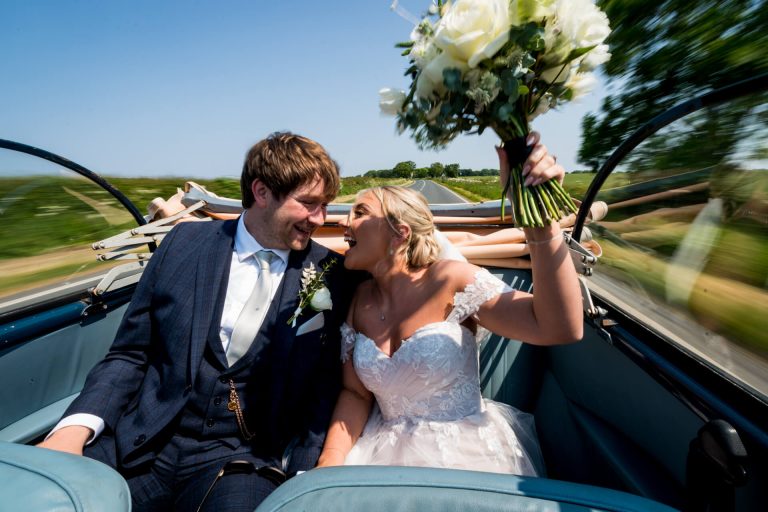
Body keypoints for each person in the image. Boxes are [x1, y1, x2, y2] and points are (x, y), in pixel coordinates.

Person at [37, 132, 356, 511]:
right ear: (262, 191)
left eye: (325, 206)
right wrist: (72, 431)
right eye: (309, 204)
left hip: (241, 460)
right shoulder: (184, 243)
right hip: (140, 443)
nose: (320, 219)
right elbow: (129, 353)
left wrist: (307, 475)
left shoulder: (330, 273)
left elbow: (324, 388)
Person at [317, 134, 583, 475]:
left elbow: (557, 326)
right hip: (378, 452)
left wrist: (541, 224)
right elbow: (354, 395)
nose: (342, 222)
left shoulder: (452, 279)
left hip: (466, 455)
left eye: (360, 212)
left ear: (399, 233)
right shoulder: (358, 301)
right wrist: (329, 464)